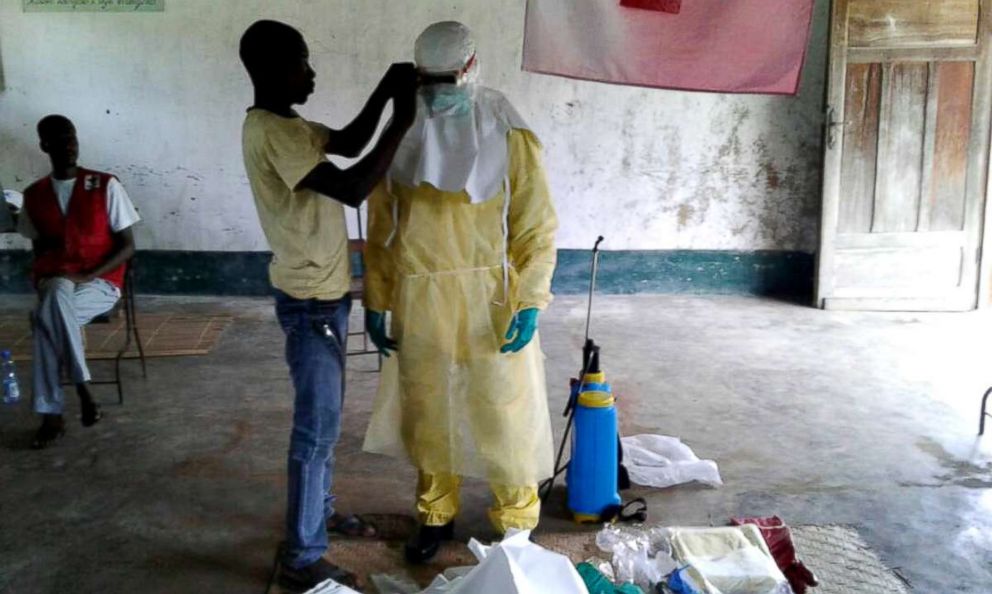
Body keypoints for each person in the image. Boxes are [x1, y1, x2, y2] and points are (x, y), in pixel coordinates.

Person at [362, 21, 559, 564]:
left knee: (503, 409)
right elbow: (380, 225)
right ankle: (434, 514)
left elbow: (535, 225)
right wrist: (375, 298)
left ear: (471, 68)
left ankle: (516, 523)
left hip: (490, 292)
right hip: (418, 290)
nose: (440, 92)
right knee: (429, 408)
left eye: (448, 79)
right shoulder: (401, 128)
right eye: (430, 81)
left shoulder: (505, 127)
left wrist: (531, 298)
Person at [238, 19, 418, 590]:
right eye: (303, 62)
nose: (311, 72)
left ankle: (320, 515)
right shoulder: (273, 132)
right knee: (315, 431)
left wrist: (386, 94)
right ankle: (303, 555)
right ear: (270, 69)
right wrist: (404, 120)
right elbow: (351, 184)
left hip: (323, 297)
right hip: (311, 304)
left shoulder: (290, 125)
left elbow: (348, 140)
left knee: (326, 423)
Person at [18, 115, 140, 449]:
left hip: (99, 283)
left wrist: (86, 275)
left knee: (43, 319)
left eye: (71, 137)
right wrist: (49, 275)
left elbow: (128, 245)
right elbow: (38, 250)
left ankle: (52, 415)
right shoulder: (35, 195)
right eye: (59, 140)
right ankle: (83, 389)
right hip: (57, 279)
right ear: (44, 145)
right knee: (55, 290)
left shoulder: (104, 185)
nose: (69, 145)